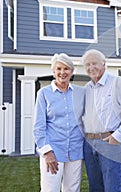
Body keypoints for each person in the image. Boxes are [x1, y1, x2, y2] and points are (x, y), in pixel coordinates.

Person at [82, 49, 121, 192]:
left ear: (104, 64)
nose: (91, 67)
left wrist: (117, 136)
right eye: (87, 64)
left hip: (109, 142)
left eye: (94, 63)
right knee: (95, 187)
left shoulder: (117, 83)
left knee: (112, 187)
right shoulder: (86, 89)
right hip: (89, 144)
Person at [33, 53, 85, 192]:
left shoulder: (80, 93)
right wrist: (47, 152)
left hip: (76, 150)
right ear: (53, 71)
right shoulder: (44, 93)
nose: (62, 72)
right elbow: (39, 126)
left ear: (72, 72)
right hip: (53, 151)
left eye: (66, 69)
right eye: (59, 69)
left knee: (73, 189)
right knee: (50, 190)